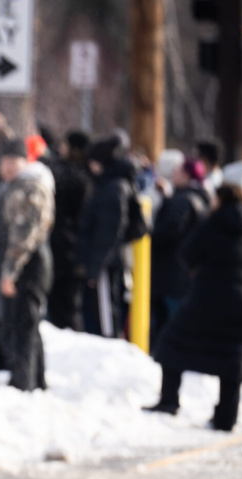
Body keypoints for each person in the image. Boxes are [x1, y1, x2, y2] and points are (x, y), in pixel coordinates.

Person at [146, 184, 242, 431]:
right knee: (233, 358)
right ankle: (226, 417)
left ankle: (169, 400)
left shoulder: (213, 223)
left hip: (208, 298)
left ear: (221, 199)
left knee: (172, 342)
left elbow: (187, 252)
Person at [0, 140, 55, 390]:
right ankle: (34, 381)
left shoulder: (28, 186)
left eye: (12, 161)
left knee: (20, 326)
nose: (6, 167)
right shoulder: (23, 183)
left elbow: (22, 235)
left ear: (25, 161)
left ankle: (23, 382)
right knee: (27, 324)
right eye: (3, 161)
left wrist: (10, 273)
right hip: (30, 260)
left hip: (28, 262)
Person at [79, 136, 134, 338]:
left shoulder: (113, 188)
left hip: (105, 262)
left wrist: (95, 268)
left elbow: (109, 232)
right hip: (105, 260)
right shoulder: (110, 185)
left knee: (106, 319)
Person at [150, 158, 210, 342]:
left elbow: (171, 228)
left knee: (170, 323)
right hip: (181, 271)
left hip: (171, 272)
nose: (172, 174)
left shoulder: (183, 200)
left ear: (186, 175)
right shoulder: (198, 197)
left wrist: (148, 237)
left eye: (176, 171)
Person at [47, 130, 92, 331]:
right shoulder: (87, 176)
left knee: (64, 307)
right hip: (71, 248)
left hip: (65, 249)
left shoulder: (74, 178)